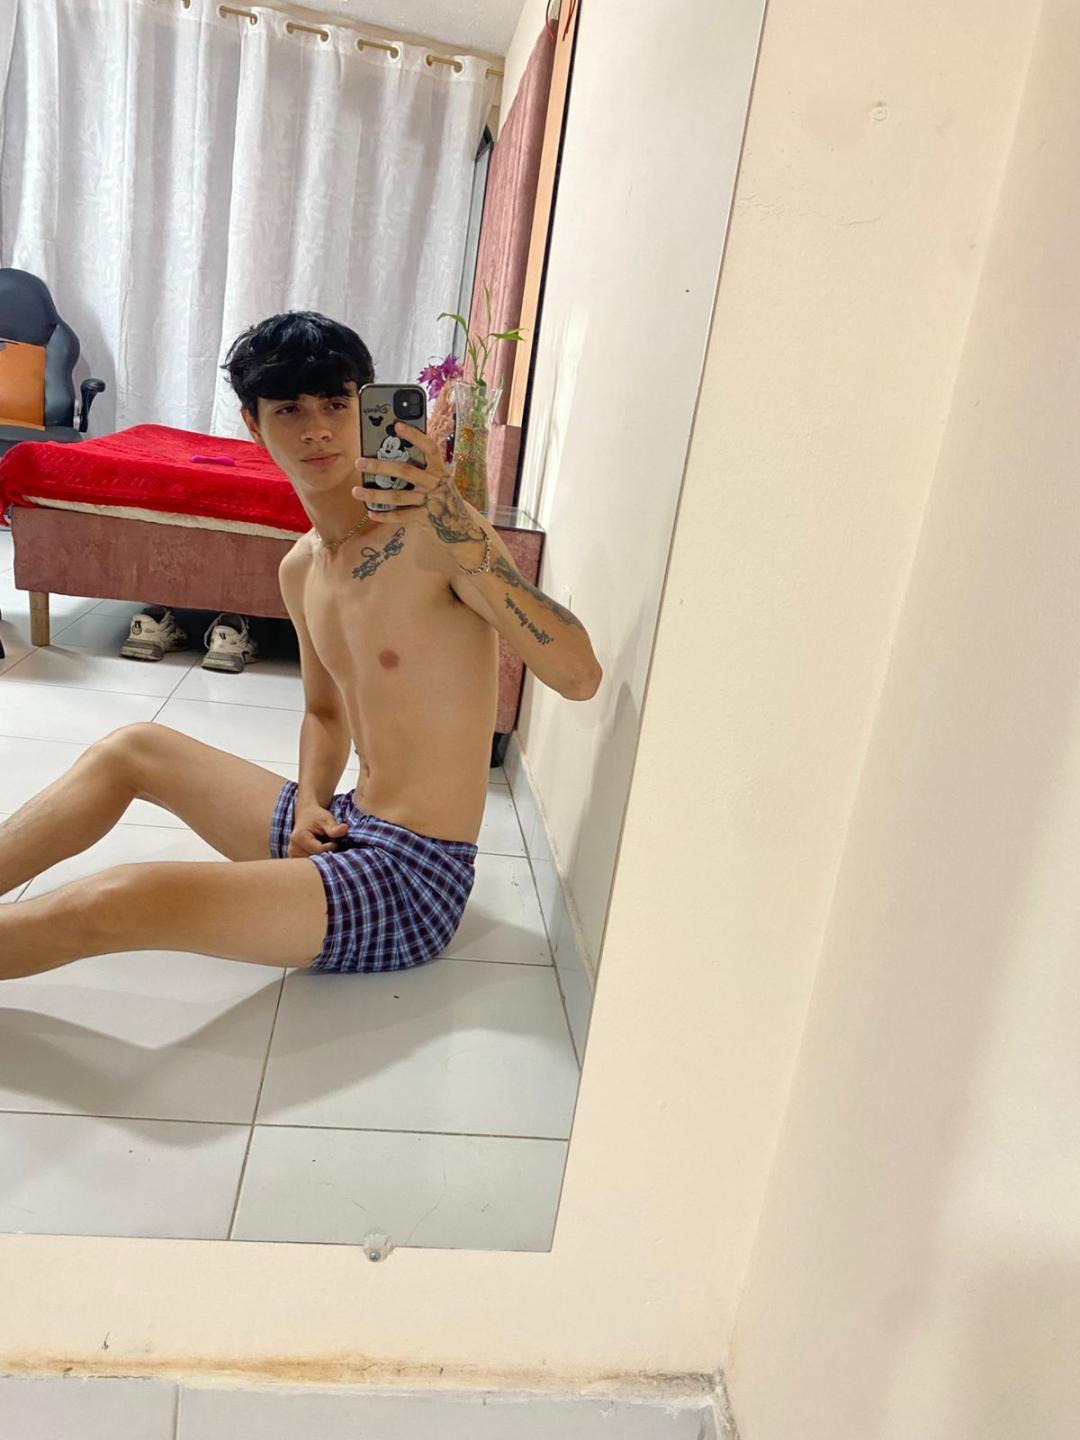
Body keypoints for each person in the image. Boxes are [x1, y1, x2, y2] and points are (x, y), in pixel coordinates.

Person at [0, 312, 602, 979]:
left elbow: (579, 676)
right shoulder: (301, 567)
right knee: (133, 749)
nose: (317, 429)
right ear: (254, 425)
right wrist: (312, 801)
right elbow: (324, 712)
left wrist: (456, 518)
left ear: (363, 408)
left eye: (335, 404)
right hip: (345, 823)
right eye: (289, 409)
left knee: (124, 898)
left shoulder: (439, 537)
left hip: (411, 878)